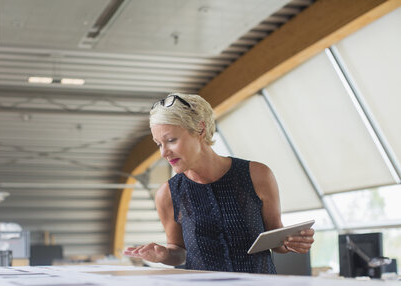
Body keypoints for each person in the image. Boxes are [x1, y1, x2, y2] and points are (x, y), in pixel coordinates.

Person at [124, 93, 315, 273]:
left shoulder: (258, 175)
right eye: (159, 143)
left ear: (200, 129)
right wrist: (165, 254)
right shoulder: (167, 194)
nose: (164, 153)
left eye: (171, 140)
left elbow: (276, 239)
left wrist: (291, 242)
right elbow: (179, 252)